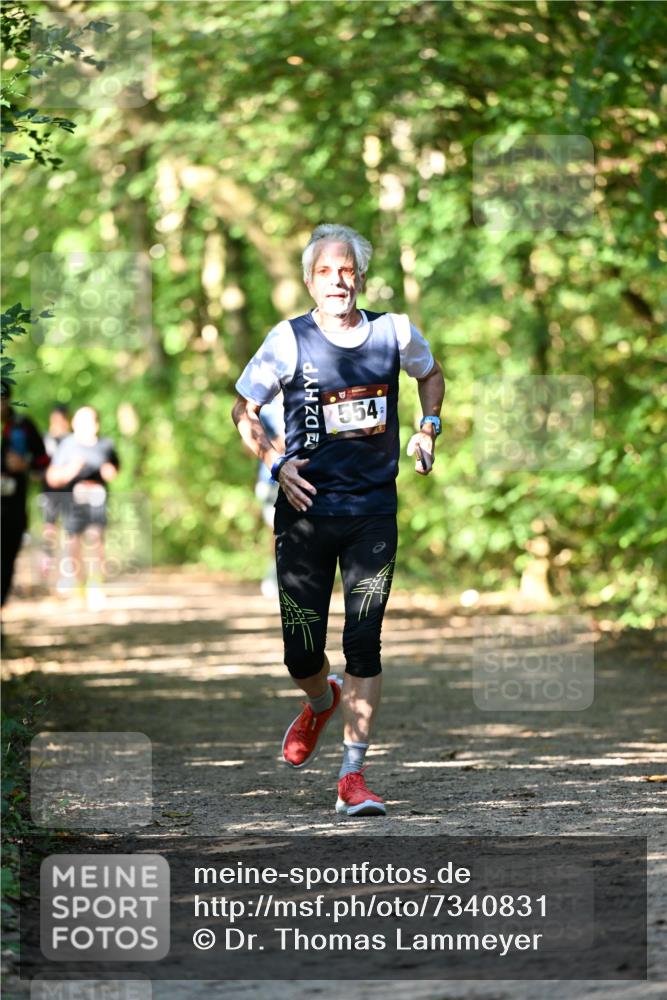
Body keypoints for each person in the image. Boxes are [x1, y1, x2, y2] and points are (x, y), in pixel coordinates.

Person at [232, 223, 445, 817]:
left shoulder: (394, 331)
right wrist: (275, 463)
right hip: (305, 512)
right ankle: (321, 699)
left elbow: (430, 376)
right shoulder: (286, 339)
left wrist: (429, 427)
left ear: (361, 276)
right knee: (301, 652)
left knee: (364, 638)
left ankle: (354, 775)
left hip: (372, 511)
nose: (337, 281)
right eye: (325, 272)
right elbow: (243, 409)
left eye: (346, 270)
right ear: (308, 281)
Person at [45, 406, 119, 609]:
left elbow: (114, 468)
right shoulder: (67, 446)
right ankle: (80, 590)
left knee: (96, 540)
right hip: (73, 500)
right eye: (80, 421)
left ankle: (96, 587)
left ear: (96, 424)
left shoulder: (105, 445)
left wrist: (108, 471)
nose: (84, 426)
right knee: (74, 544)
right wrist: (70, 471)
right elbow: (52, 477)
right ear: (74, 424)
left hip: (97, 499)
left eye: (88, 421)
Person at [1, 387, 49, 607]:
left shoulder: (22, 426)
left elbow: (43, 461)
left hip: (12, 507)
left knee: (7, 558)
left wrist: (26, 465)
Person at [254, 393, 285, 599]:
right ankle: (274, 576)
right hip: (270, 480)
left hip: (305, 477)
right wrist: (274, 446)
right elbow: (249, 444)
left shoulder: (308, 397)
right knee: (277, 530)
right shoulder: (266, 410)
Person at [39, 403, 71, 586]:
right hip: (48, 492)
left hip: (69, 492)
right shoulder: (45, 440)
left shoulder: (72, 441)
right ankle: (46, 568)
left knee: (69, 531)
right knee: (49, 530)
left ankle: (66, 571)